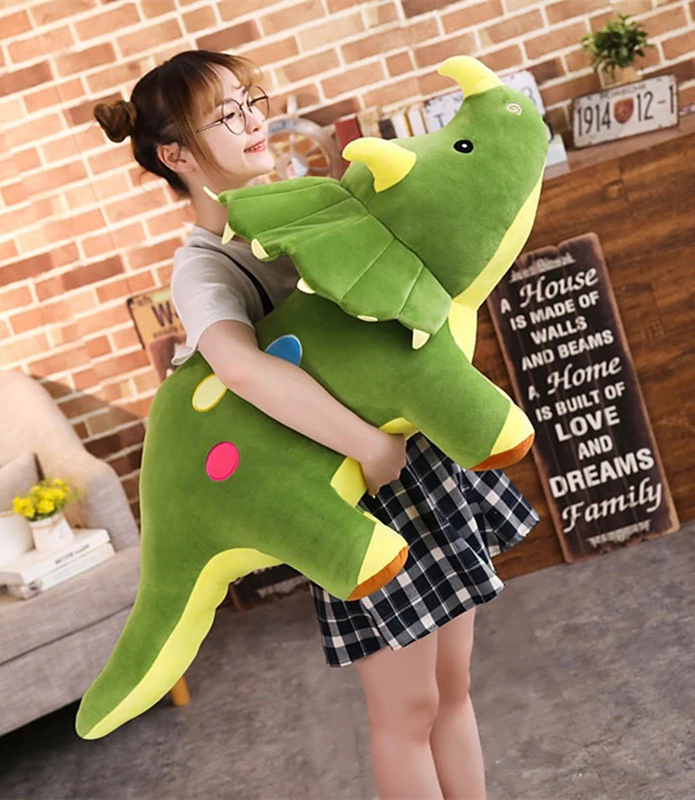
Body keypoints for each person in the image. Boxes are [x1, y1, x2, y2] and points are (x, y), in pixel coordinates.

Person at [94, 49, 539, 800]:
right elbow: (241, 369)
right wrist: (365, 444)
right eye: (225, 115)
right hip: (351, 491)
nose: (252, 121)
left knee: (454, 687)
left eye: (251, 101)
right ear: (176, 155)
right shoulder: (204, 266)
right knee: (406, 709)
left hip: (418, 461)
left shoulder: (309, 202)